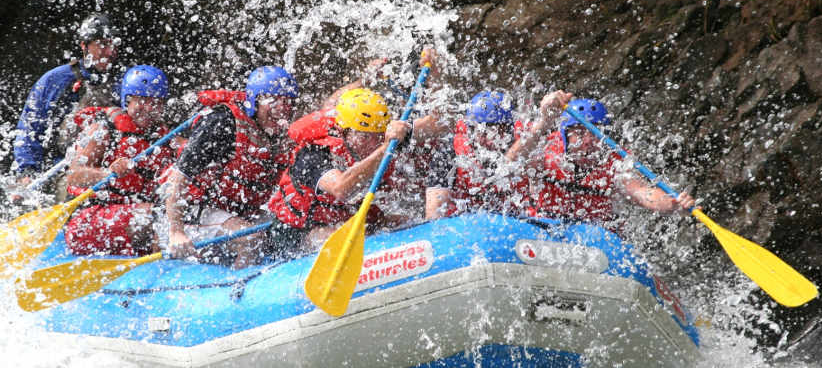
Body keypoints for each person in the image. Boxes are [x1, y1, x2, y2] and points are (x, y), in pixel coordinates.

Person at [265, 86, 441, 261]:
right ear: (344, 131)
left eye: (379, 135)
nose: (373, 142)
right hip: (297, 231)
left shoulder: (387, 139)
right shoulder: (314, 153)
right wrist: (385, 148)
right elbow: (341, 189)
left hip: (349, 221)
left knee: (405, 221)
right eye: (365, 136)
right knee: (329, 237)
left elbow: (439, 125)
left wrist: (407, 128)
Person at [163, 66, 299, 269]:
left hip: (240, 211)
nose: (281, 109)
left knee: (290, 228)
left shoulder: (282, 133)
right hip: (194, 212)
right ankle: (239, 284)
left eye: (286, 102)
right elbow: (178, 179)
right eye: (272, 100)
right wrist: (176, 232)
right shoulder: (221, 124)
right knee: (251, 238)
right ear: (254, 101)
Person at [520, 98, 696, 225]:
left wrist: (672, 203)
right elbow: (512, 162)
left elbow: (643, 193)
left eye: (594, 134)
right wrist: (544, 120)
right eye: (580, 133)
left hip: (593, 236)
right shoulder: (546, 151)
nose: (588, 141)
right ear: (565, 135)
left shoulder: (614, 164)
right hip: (541, 226)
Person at [63, 65, 174, 256]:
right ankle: (160, 266)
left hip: (132, 219)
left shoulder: (163, 137)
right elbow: (73, 176)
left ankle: (161, 260)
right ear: (128, 100)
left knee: (173, 214)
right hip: (87, 222)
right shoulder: (105, 130)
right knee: (157, 216)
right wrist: (108, 173)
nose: (148, 108)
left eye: (155, 103)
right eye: (142, 100)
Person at [424, 90, 571, 219]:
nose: (490, 137)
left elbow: (507, 167)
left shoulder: (528, 145)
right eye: (483, 130)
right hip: (463, 227)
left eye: (499, 129)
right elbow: (434, 216)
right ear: (470, 129)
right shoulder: (448, 153)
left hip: (516, 226)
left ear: (509, 130)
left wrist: (546, 119)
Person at [12, 13, 120, 183]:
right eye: (102, 44)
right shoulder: (56, 80)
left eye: (113, 44)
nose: (110, 51)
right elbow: (29, 130)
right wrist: (26, 172)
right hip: (63, 171)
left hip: (112, 168)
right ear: (84, 46)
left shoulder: (126, 80)